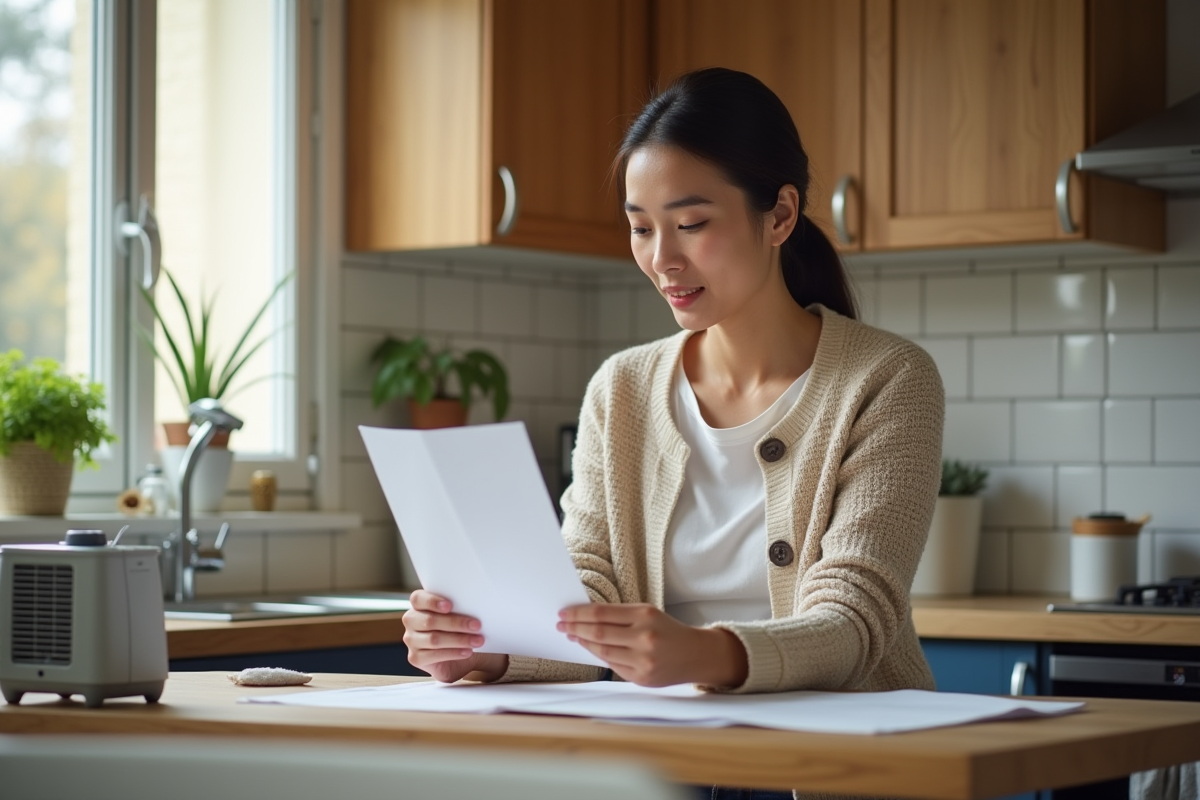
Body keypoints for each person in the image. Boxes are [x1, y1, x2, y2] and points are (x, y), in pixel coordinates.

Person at [402, 67, 945, 800]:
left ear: (780, 215)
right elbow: (585, 588)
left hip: (844, 774)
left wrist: (704, 654)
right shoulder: (621, 389)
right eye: (640, 227)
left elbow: (855, 621)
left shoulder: (887, 379)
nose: (663, 259)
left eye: (691, 224)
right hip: (665, 769)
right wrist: (487, 649)